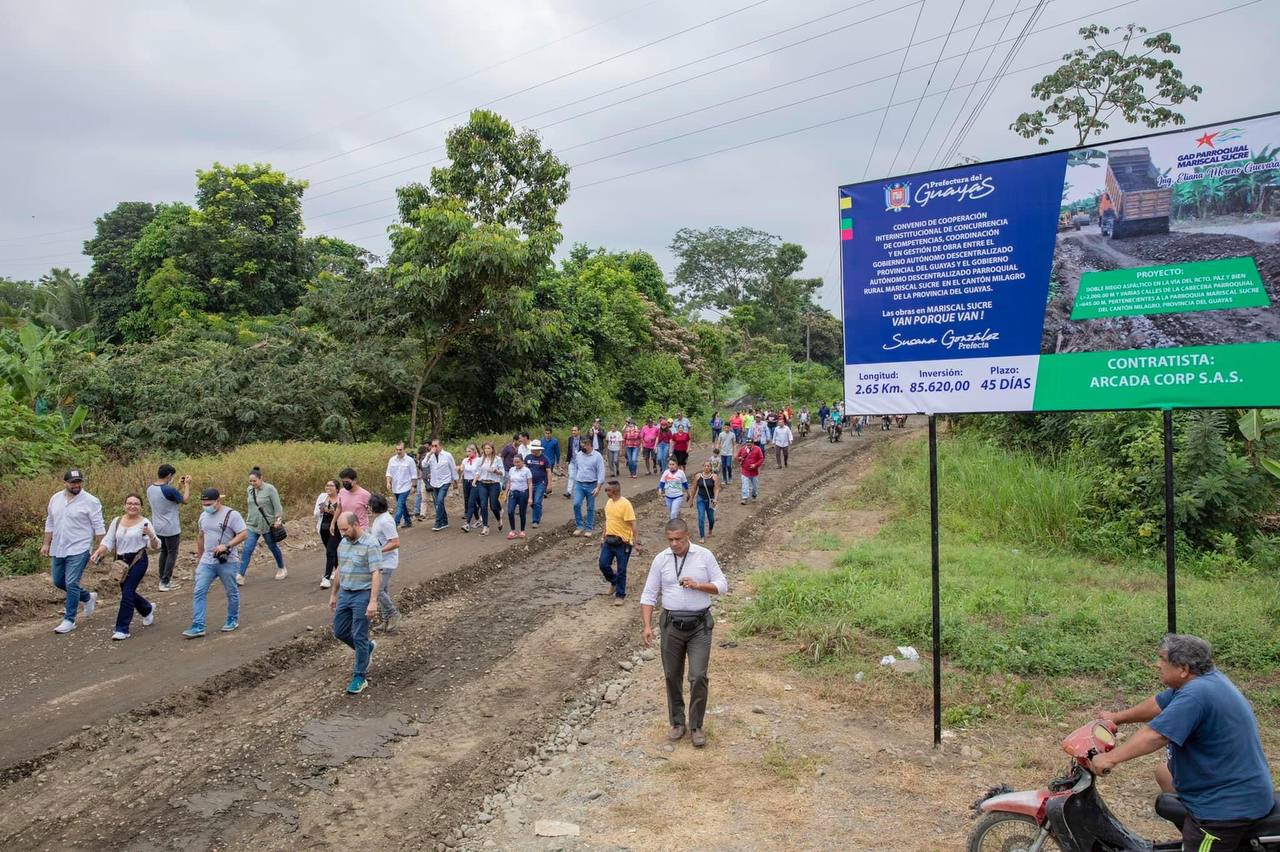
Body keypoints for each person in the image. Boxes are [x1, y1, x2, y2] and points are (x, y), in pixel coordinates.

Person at [1093, 634, 1275, 852]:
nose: (1157, 664)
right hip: (1235, 786)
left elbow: (1156, 735)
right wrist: (1116, 717)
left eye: (1162, 659)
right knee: (1164, 772)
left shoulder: (1196, 695)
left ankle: (1200, 835)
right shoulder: (1205, 681)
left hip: (1224, 809)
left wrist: (1110, 758)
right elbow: (1158, 704)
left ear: (1184, 669)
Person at [640, 518, 728, 749]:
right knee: (672, 675)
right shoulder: (661, 559)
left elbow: (722, 585)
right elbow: (649, 594)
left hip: (699, 626)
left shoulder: (704, 556)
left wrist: (699, 585)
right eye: (670, 539)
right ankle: (677, 723)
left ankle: (696, 726)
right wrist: (647, 625)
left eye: (678, 539)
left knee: (698, 676)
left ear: (688, 536)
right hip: (671, 625)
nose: (674, 544)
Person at [90, 493, 161, 640]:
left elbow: (155, 546)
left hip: (138, 560)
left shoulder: (145, 523)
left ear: (141, 507)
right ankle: (147, 609)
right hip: (121, 563)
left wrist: (151, 535)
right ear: (124, 505)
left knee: (127, 592)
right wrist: (98, 551)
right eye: (129, 503)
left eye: (136, 504)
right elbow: (108, 541)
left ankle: (122, 629)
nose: (132, 506)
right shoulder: (117, 521)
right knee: (128, 592)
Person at [43, 468, 105, 634]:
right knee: (58, 581)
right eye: (73, 482)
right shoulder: (55, 499)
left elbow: (98, 525)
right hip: (59, 547)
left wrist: (102, 547)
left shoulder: (91, 501)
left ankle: (69, 619)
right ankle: (87, 597)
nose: (76, 485)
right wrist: (46, 544)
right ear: (65, 483)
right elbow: (50, 522)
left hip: (80, 547)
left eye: (79, 482)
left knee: (71, 583)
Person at [183, 488, 246, 638]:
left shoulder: (232, 515)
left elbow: (244, 533)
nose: (206, 507)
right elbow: (201, 536)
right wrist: (200, 558)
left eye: (209, 504)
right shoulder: (203, 516)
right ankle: (198, 625)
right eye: (204, 504)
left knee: (231, 591)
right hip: (207, 561)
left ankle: (232, 619)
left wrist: (227, 545)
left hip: (227, 560)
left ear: (218, 501)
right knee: (199, 591)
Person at [330, 511, 381, 694]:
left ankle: (360, 677)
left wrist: (373, 601)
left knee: (359, 635)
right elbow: (340, 569)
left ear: (356, 524)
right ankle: (367, 648)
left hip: (362, 594)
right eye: (340, 530)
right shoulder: (343, 543)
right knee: (340, 631)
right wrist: (334, 595)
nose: (342, 533)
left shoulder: (371, 543)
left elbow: (376, 573)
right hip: (345, 593)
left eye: (345, 529)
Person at [239, 467, 286, 584]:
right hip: (252, 524)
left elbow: (278, 507)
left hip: (267, 524)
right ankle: (240, 576)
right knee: (247, 549)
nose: (252, 483)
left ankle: (282, 568)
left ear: (261, 479)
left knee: (272, 547)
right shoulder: (249, 490)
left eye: (254, 481)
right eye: (250, 481)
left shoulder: (270, 489)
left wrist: (278, 520)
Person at [146, 464, 189, 593]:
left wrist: (178, 486)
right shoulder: (169, 490)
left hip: (157, 526)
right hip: (171, 527)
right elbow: (185, 500)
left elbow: (169, 496)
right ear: (169, 475)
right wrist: (187, 485)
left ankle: (162, 579)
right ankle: (165, 581)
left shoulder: (151, 488)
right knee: (172, 553)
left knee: (164, 552)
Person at [598, 480, 640, 606]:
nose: (606, 492)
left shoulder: (625, 504)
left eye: (607, 490)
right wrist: (602, 536)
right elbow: (608, 521)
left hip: (623, 542)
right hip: (609, 540)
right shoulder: (609, 503)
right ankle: (614, 582)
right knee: (603, 564)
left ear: (614, 491)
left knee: (621, 569)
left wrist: (637, 542)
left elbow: (633, 524)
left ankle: (620, 595)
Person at [367, 494, 401, 633]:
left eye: (370, 505)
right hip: (381, 561)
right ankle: (386, 620)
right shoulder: (379, 519)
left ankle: (393, 614)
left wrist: (378, 551)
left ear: (375, 507)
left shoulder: (385, 521)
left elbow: (395, 542)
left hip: (387, 562)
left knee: (378, 590)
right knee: (383, 591)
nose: (368, 508)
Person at [421, 438, 459, 531]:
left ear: (440, 446)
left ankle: (438, 522)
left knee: (440, 500)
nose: (434, 447)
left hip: (445, 481)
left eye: (436, 446)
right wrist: (429, 454)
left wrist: (455, 482)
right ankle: (445, 521)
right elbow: (424, 465)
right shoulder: (430, 456)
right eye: (432, 446)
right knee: (437, 503)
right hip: (434, 482)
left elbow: (453, 468)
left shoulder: (447, 455)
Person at [571, 437, 606, 537]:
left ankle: (589, 528)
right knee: (576, 504)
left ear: (590, 446)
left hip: (592, 484)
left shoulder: (597, 456)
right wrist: (575, 481)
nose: (582, 448)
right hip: (579, 484)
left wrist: (598, 487)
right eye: (581, 446)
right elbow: (576, 468)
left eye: (584, 446)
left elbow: (601, 472)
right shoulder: (579, 455)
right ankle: (579, 526)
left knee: (590, 507)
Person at [314, 479, 342, 589]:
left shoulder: (341, 498)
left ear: (337, 488)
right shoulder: (322, 497)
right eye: (327, 485)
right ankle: (339, 571)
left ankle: (326, 578)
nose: (328, 487)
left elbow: (343, 513)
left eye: (331, 485)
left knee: (330, 551)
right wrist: (322, 510)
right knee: (331, 552)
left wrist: (332, 511)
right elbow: (315, 513)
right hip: (323, 528)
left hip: (336, 529)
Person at [385, 441, 418, 529]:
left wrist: (414, 486)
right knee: (402, 505)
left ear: (404, 449)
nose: (398, 451)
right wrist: (388, 482)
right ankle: (408, 521)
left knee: (399, 505)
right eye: (397, 449)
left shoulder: (410, 460)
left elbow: (414, 474)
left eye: (400, 449)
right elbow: (389, 473)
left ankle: (395, 523)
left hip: (406, 486)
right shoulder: (392, 460)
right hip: (396, 487)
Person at [473, 443, 504, 536]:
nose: (486, 450)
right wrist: (474, 480)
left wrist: (496, 471)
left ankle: (499, 519)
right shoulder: (480, 459)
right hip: (482, 484)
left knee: (493, 506)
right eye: (485, 448)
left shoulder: (498, 459)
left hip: (494, 484)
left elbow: (502, 472)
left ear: (492, 449)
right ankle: (485, 526)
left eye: (488, 448)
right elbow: (478, 471)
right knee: (483, 505)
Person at [525, 440, 554, 529]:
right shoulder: (528, 457)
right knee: (531, 502)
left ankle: (535, 521)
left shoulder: (545, 459)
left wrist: (549, 484)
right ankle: (538, 511)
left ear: (539, 449)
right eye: (532, 449)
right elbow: (524, 470)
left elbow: (548, 471)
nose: (532, 451)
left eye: (534, 449)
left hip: (540, 483)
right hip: (529, 483)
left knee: (537, 501)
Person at [333, 468, 372, 534]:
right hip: (346, 530)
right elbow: (339, 508)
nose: (345, 484)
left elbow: (373, 510)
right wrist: (333, 522)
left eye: (347, 482)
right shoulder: (342, 492)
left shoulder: (365, 494)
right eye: (343, 482)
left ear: (354, 480)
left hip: (361, 530)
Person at [504, 452, 533, 540]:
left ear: (522, 462)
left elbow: (530, 484)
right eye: (515, 462)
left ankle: (522, 530)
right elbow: (509, 482)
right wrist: (505, 493)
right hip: (513, 493)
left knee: (522, 512)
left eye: (518, 462)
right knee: (510, 511)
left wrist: (530, 497)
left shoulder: (526, 471)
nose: (516, 464)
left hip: (523, 493)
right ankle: (513, 530)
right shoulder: (512, 470)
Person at [692, 460, 719, 543]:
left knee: (711, 519)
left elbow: (717, 489)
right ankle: (702, 536)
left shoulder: (714, 477)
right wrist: (691, 499)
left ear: (711, 467)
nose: (706, 467)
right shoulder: (698, 476)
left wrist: (715, 499)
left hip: (710, 500)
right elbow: (694, 488)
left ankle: (710, 530)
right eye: (705, 466)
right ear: (703, 467)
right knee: (701, 517)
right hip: (700, 499)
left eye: (708, 466)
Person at [460, 444, 482, 532]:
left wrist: (475, 480)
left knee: (471, 502)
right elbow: (462, 467)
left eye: (469, 451)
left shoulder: (479, 460)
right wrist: (460, 468)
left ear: (474, 451)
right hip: (466, 482)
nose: (468, 453)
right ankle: (478, 520)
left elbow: (479, 472)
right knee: (470, 501)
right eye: (467, 451)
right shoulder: (465, 460)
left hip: (475, 482)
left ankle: (467, 524)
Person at [563, 426, 584, 498]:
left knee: (578, 477)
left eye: (575, 430)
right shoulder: (570, 439)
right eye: (572, 430)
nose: (573, 432)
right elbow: (569, 450)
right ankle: (568, 492)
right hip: (572, 460)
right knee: (571, 476)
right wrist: (567, 460)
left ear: (579, 431)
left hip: (581, 461)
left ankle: (578, 491)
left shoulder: (583, 439)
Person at [413, 443, 430, 521]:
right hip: (424, 479)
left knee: (424, 497)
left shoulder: (427, 458)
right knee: (424, 497)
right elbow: (420, 469)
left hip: (428, 479)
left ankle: (421, 512)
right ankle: (422, 513)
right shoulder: (422, 459)